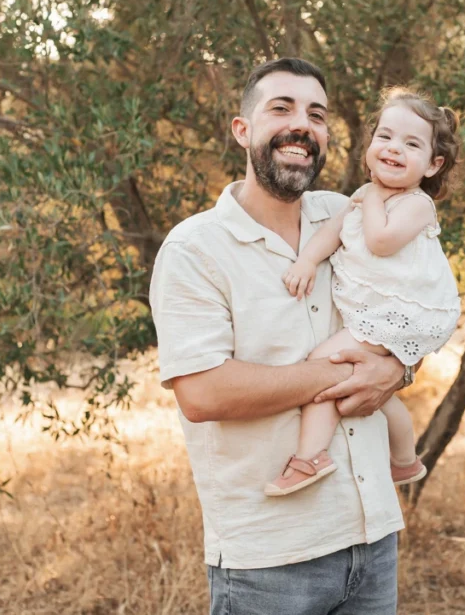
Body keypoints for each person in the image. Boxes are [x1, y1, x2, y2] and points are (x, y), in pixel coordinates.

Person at [149, 58, 410, 614]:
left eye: (316, 114)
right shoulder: (194, 250)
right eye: (282, 108)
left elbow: (405, 314)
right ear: (242, 131)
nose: (302, 125)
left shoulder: (351, 219)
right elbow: (203, 394)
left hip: (373, 537)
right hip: (268, 561)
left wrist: (398, 369)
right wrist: (341, 375)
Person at [265, 88, 462, 497]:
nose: (393, 149)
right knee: (361, 382)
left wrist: (372, 195)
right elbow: (331, 234)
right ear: (370, 143)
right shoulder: (360, 196)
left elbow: (381, 241)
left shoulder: (416, 204)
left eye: (411, 144)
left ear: (432, 164)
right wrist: (305, 262)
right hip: (372, 311)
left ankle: (311, 457)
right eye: (385, 137)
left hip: (397, 313)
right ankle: (405, 460)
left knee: (323, 365)